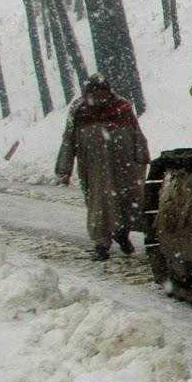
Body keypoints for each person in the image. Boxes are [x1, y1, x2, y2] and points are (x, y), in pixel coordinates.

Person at [55, 76, 150, 260]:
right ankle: (102, 243)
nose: (99, 97)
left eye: (102, 92)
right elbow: (68, 140)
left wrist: (142, 155)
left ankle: (122, 234)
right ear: (88, 94)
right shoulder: (79, 111)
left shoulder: (122, 107)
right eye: (95, 93)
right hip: (94, 168)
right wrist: (63, 169)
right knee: (99, 204)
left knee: (128, 202)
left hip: (124, 166)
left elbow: (137, 133)